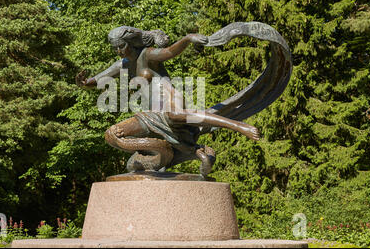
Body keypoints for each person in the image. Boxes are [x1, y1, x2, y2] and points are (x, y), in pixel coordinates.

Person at [76, 26, 260, 177]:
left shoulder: (147, 55)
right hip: (150, 114)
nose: (118, 51)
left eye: (121, 46)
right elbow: (99, 79)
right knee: (121, 146)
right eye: (115, 48)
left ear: (131, 43)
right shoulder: (123, 64)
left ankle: (238, 126)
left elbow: (170, 52)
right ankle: (196, 152)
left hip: (169, 101)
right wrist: (85, 83)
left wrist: (187, 39)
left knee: (174, 115)